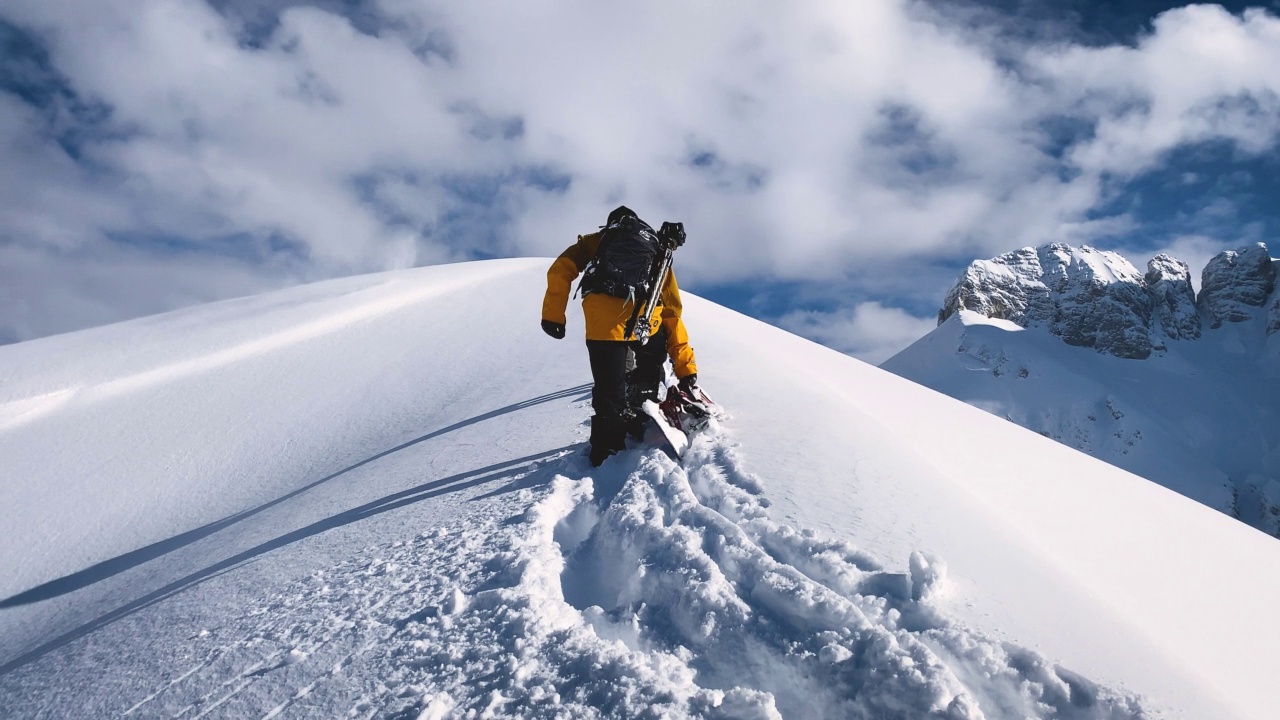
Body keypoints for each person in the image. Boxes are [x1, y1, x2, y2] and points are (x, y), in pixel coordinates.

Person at [541, 206, 699, 466]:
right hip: (648, 321)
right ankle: (641, 410)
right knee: (648, 370)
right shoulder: (657, 249)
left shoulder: (596, 241)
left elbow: (559, 270)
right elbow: (672, 312)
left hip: (603, 322)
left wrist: (553, 316)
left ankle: (605, 453)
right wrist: (685, 369)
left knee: (608, 390)